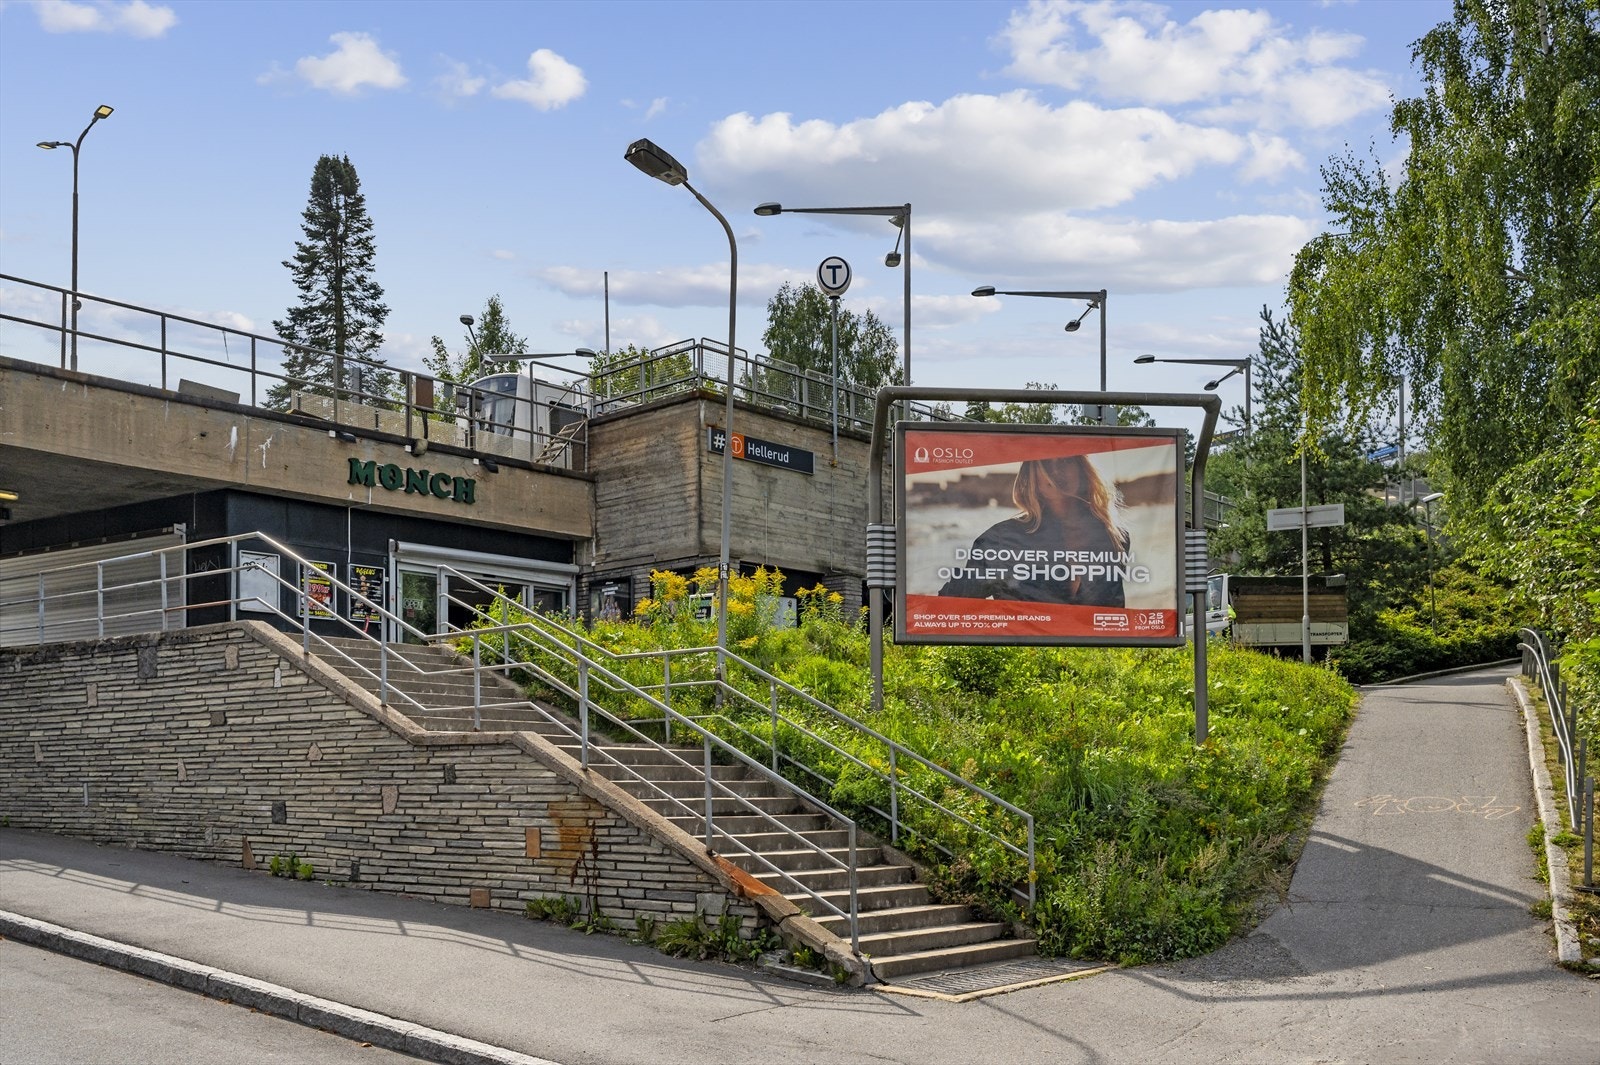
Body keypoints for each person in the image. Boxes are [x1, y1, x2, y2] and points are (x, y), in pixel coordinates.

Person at [938, 454, 1131, 605]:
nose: (1056, 471)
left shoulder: (1114, 536)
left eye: (1065, 461)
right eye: (1046, 463)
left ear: (1081, 468)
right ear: (1032, 474)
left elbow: (1113, 612)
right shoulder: (1001, 539)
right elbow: (950, 604)